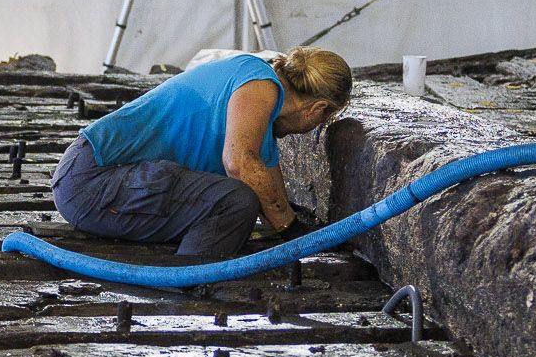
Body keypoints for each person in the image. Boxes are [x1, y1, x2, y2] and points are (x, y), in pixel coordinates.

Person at [50, 47, 352, 263]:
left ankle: (191, 265)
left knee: (237, 204)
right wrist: (291, 229)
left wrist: (298, 230)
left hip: (95, 179)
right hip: (91, 183)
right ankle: (189, 276)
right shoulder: (261, 87)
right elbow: (240, 165)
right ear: (317, 109)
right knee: (235, 202)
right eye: (324, 121)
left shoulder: (258, 88)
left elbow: (269, 188)